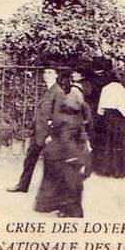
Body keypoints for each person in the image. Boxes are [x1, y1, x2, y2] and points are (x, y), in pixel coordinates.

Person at [35, 81, 92, 217]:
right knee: (69, 182)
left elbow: (81, 130)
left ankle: (61, 208)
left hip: (64, 152)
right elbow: (70, 135)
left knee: (65, 182)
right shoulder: (70, 117)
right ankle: (66, 209)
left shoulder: (66, 115)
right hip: (67, 152)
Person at [7, 66, 65, 193]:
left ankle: (56, 191)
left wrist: (52, 135)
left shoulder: (58, 92)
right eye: (45, 72)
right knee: (29, 160)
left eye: (50, 72)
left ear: (56, 75)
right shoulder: (48, 91)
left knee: (52, 163)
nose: (46, 74)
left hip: (48, 134)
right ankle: (23, 185)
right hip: (38, 133)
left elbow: (58, 116)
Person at [94, 77, 125, 178]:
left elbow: (100, 109)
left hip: (106, 118)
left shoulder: (105, 88)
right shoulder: (121, 88)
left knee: (107, 143)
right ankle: (118, 171)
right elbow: (123, 108)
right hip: (117, 119)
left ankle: (106, 170)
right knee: (118, 143)